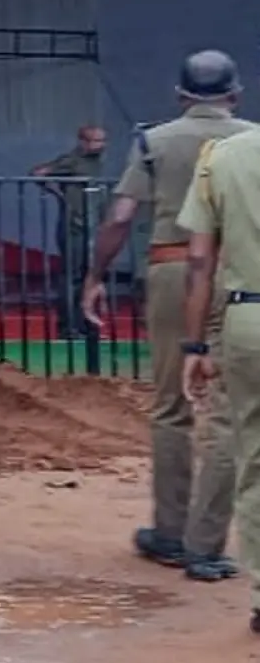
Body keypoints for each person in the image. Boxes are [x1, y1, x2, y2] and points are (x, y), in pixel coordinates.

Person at [86, 50, 254, 581]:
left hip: (170, 271)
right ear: (236, 94)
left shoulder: (152, 141)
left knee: (170, 407)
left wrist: (94, 275)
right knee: (228, 415)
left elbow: (121, 215)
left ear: (181, 96)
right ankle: (208, 544)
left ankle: (170, 533)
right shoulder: (250, 140)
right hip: (234, 278)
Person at [180, 110, 260, 626]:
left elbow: (199, 262)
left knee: (254, 458)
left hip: (248, 320)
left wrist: (193, 345)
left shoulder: (223, 157)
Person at [33, 124, 110, 339]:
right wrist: (60, 196)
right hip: (73, 225)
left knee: (89, 276)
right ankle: (69, 327)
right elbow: (38, 173)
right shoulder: (72, 160)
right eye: (95, 141)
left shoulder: (96, 162)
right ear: (83, 142)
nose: (100, 145)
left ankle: (87, 326)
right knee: (72, 277)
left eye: (102, 141)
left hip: (92, 225)